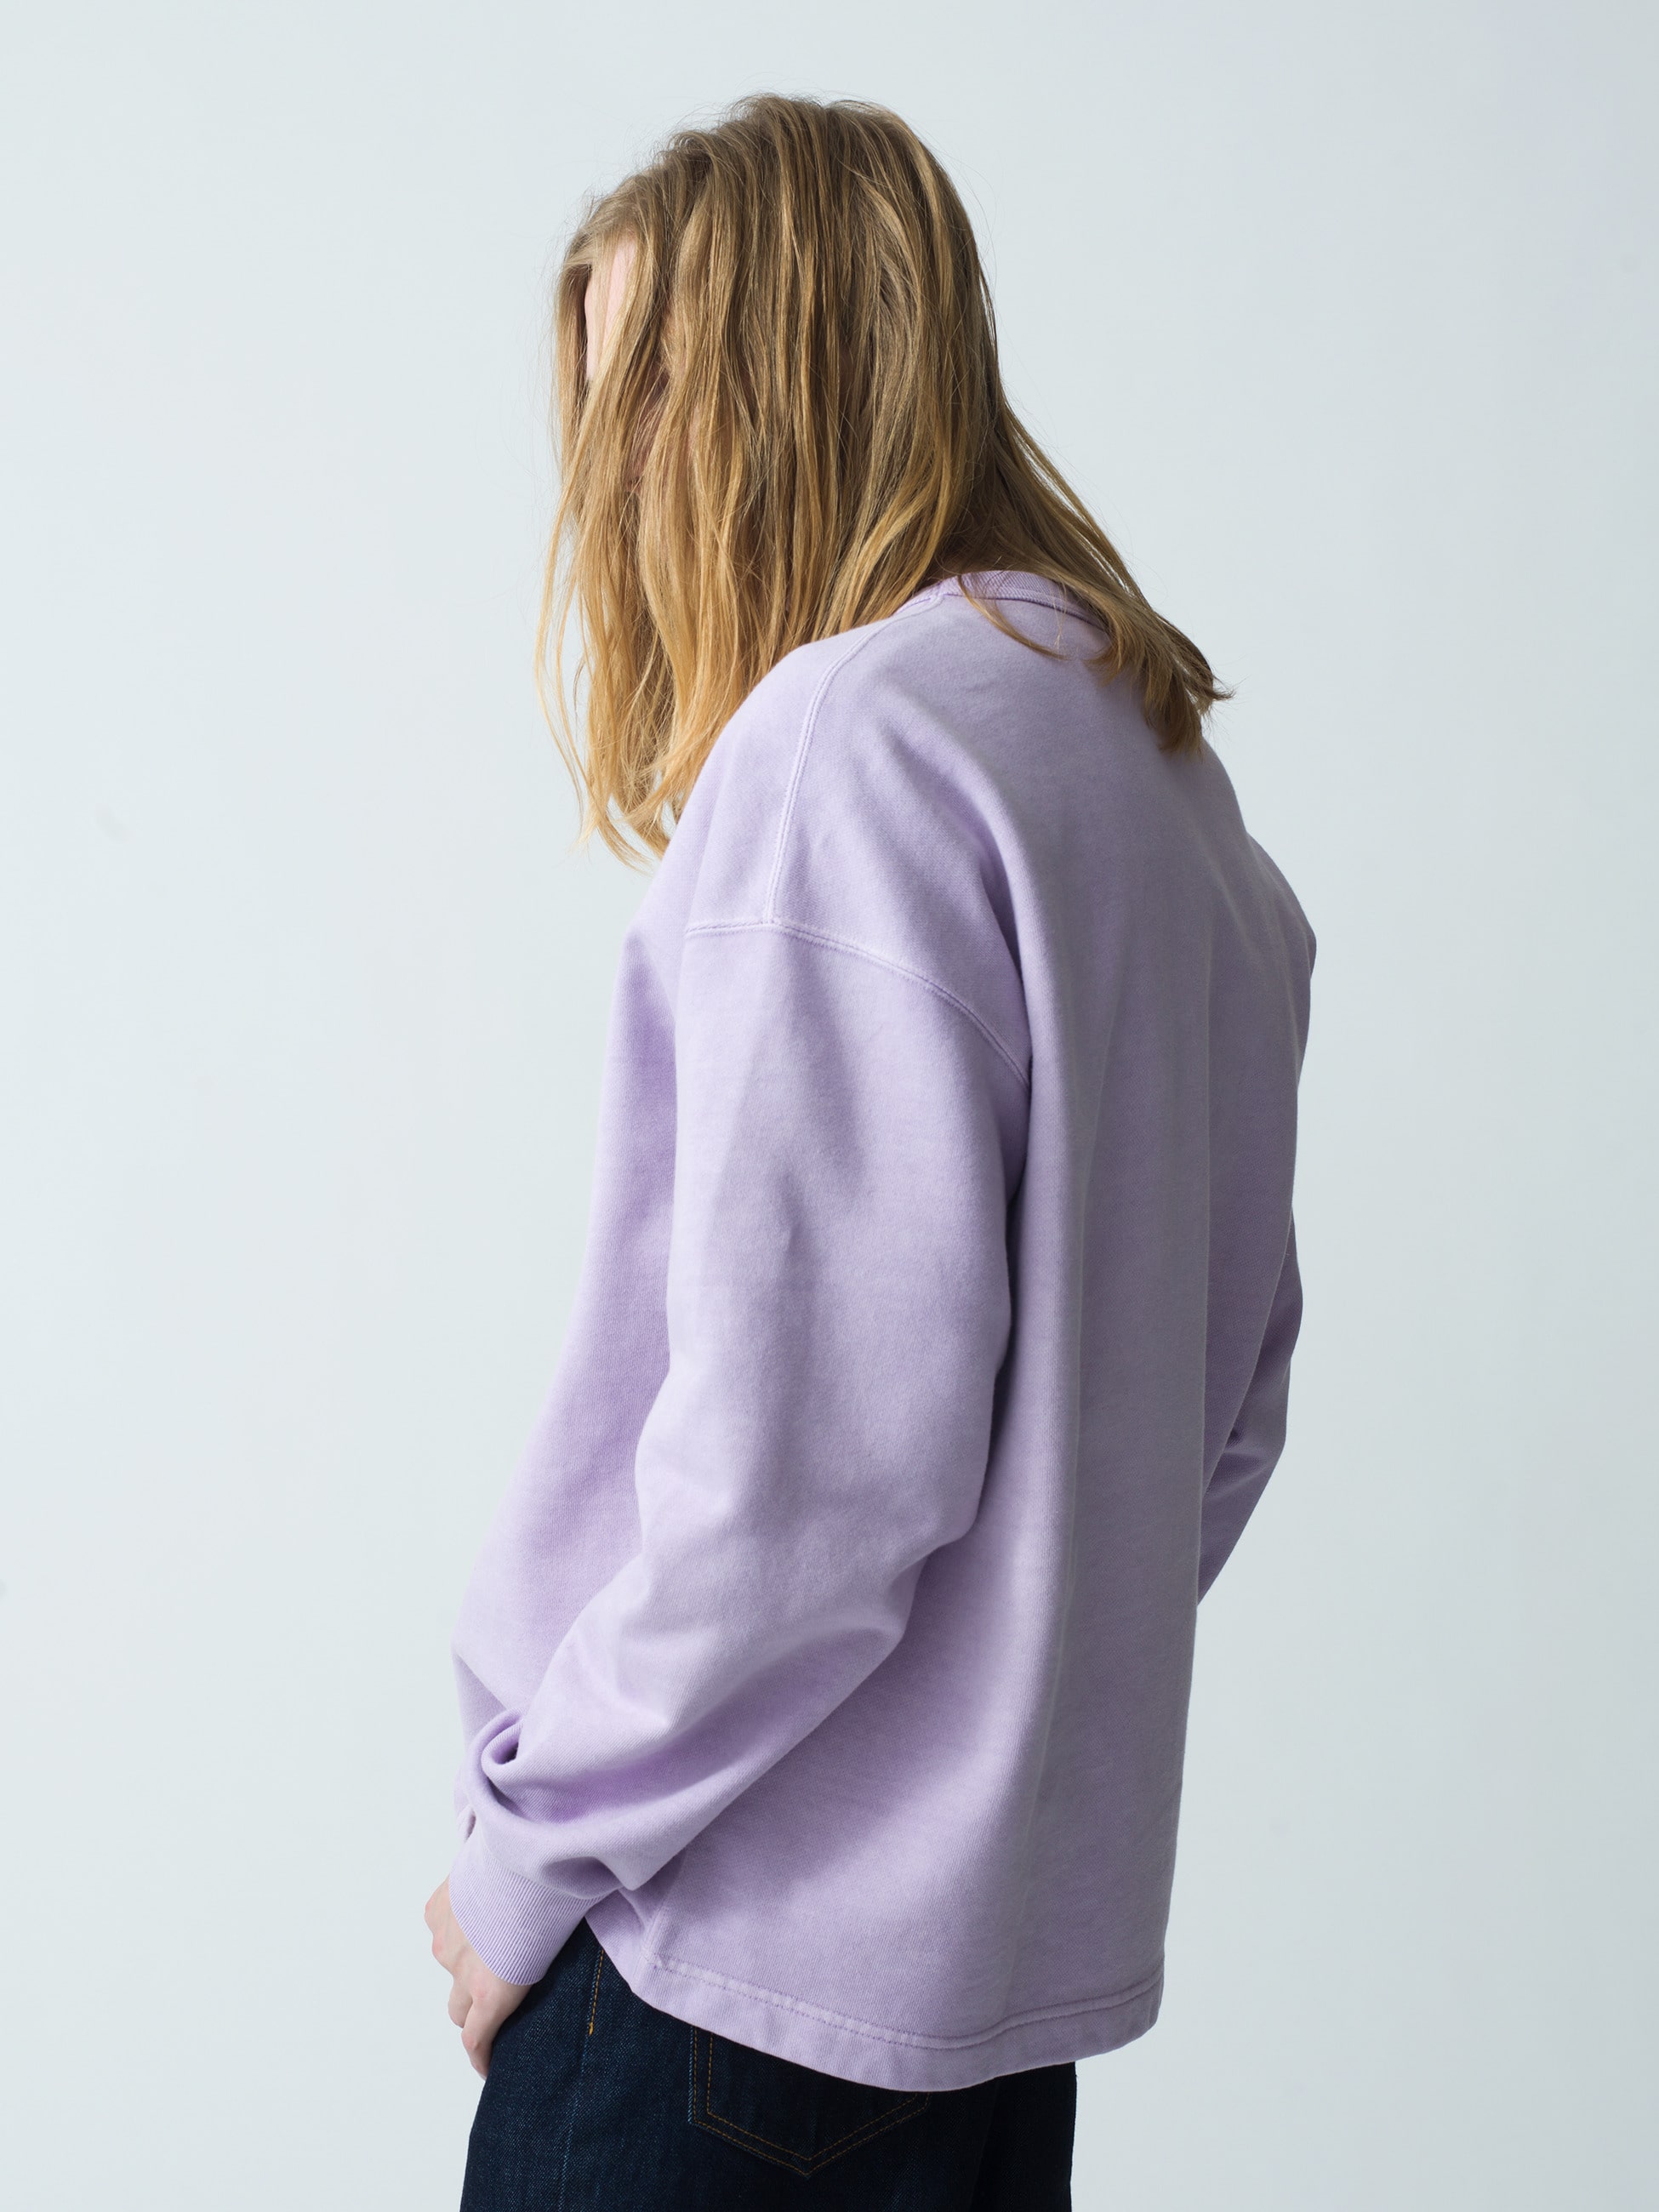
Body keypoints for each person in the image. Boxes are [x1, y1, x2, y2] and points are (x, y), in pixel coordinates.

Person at [425, 93, 1315, 2211]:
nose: (619, 464)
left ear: (797, 366)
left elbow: (800, 1484)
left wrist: (532, 1855)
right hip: (988, 2023)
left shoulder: (850, 740)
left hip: (710, 1972)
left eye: (658, 384)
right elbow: (1225, 1406)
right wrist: (984, 1728)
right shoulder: (1151, 765)